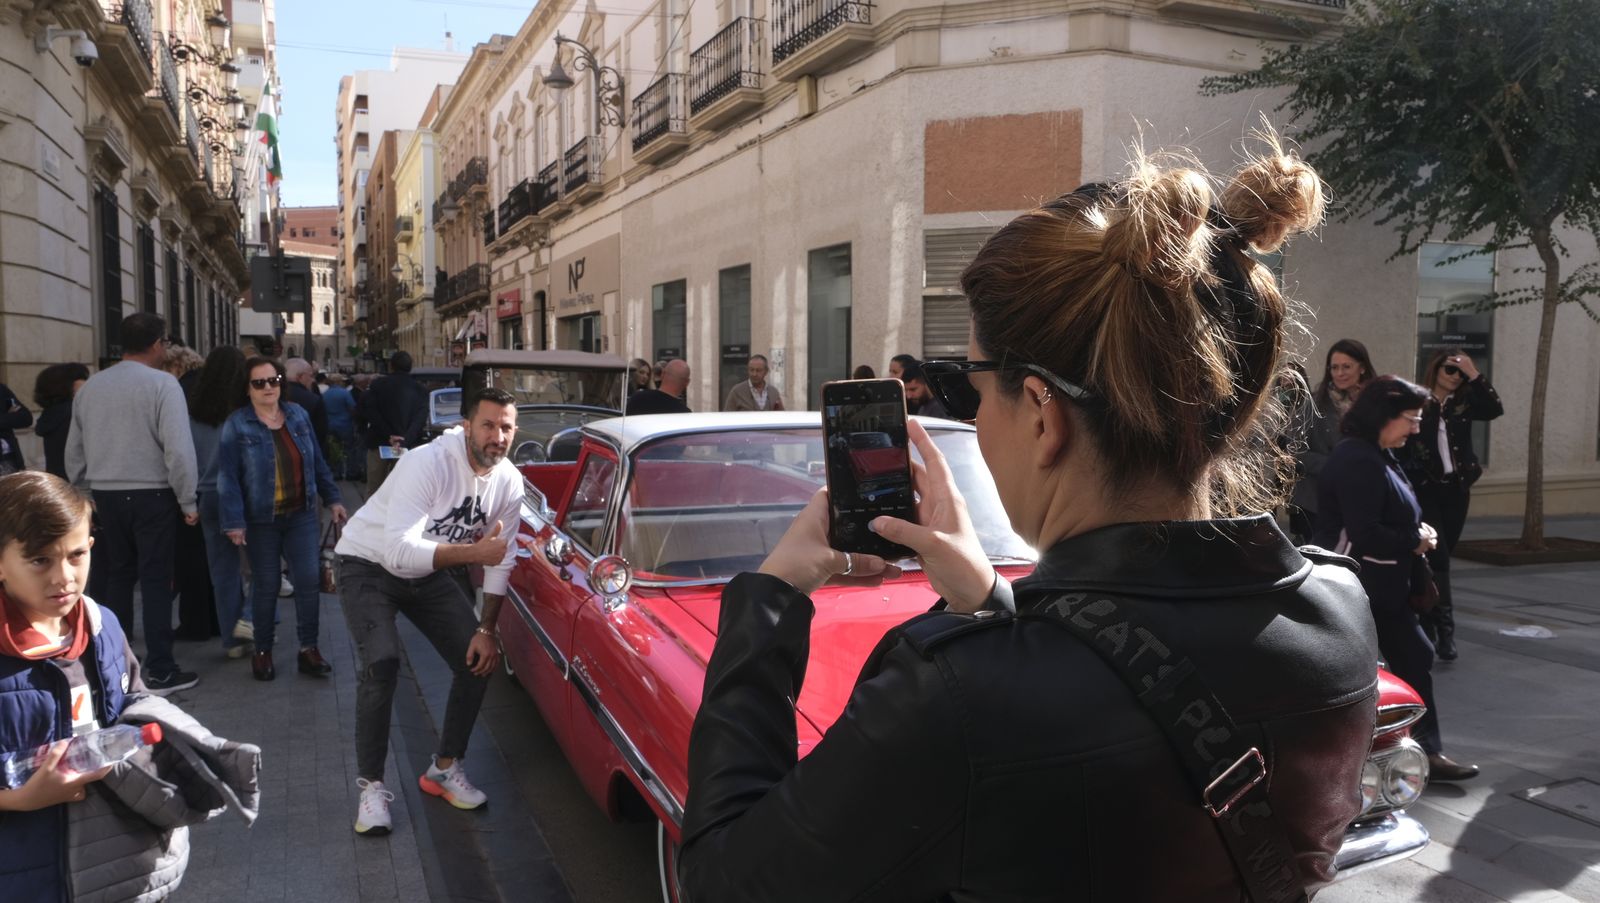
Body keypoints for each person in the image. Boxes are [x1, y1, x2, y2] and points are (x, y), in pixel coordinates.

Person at [679, 144, 1386, 898]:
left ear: (1044, 414)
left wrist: (772, 596)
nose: (976, 419)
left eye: (975, 387)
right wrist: (991, 608)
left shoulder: (953, 694)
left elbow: (725, 879)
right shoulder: (1338, 613)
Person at [0, 471, 260, 901]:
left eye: (76, 555)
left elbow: (131, 697)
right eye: (39, 560)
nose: (63, 576)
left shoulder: (102, 624)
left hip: (122, 868)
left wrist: (183, 741)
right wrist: (19, 800)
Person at [334, 387, 523, 836]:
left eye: (507, 427)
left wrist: (486, 629)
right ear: (466, 426)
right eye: (489, 424)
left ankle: (443, 767)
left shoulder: (509, 481)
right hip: (367, 563)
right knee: (381, 662)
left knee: (476, 661)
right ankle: (372, 789)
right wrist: (472, 552)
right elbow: (399, 553)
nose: (497, 436)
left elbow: (503, 557)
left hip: (429, 569)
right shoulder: (427, 462)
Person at [1313, 376, 1477, 781]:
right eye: (1410, 418)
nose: (1416, 427)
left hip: (1383, 587)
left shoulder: (1378, 454)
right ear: (1383, 416)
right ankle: (1396, 756)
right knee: (1392, 666)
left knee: (1413, 660)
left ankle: (1415, 752)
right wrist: (1415, 540)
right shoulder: (1358, 459)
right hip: (1360, 588)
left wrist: (1419, 534)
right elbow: (1363, 533)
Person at [65, 313, 200, 695]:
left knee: (116, 578)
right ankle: (160, 668)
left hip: (105, 495)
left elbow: (74, 450)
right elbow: (178, 449)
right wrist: (188, 499)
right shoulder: (163, 385)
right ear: (158, 344)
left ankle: (115, 667)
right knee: (157, 579)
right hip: (153, 493)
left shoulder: (90, 387)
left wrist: (84, 494)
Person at [216, 357, 347, 682]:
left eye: (272, 380)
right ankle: (262, 651)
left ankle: (309, 649)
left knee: (307, 581)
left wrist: (332, 498)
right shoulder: (237, 423)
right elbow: (228, 477)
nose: (267, 388)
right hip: (261, 520)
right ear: (247, 389)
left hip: (301, 514)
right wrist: (234, 521)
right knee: (267, 585)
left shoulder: (298, 415)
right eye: (258, 383)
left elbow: (316, 460)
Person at [1398, 349, 1503, 662]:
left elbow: (1495, 409)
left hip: (1456, 491)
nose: (1454, 375)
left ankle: (1429, 626)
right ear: (1435, 368)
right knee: (1439, 557)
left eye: (1460, 372)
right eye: (1450, 368)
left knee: (1438, 560)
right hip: (1427, 491)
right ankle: (1446, 633)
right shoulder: (1419, 403)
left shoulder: (1464, 403)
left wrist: (1475, 373)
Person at [188, 346, 254, 659]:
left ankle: (232, 640)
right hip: (244, 494)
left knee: (222, 571)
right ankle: (254, 623)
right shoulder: (245, 410)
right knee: (263, 565)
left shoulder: (193, 411)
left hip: (208, 495)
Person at [1292, 338, 1375, 539]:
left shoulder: (1375, 403)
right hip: (1319, 501)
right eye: (1334, 367)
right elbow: (1295, 450)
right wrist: (1336, 466)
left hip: (1364, 497)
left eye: (1346, 367)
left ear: (1362, 368)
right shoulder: (1314, 403)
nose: (1339, 373)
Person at [358, 351, 429, 495]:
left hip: (379, 443)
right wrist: (404, 439)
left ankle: (372, 517)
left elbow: (371, 413)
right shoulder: (420, 389)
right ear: (410, 367)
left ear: (391, 366)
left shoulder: (378, 385)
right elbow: (419, 419)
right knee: (403, 489)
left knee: (374, 488)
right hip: (406, 446)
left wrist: (389, 435)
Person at [31, 363, 91, 481]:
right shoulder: (73, 412)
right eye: (82, 379)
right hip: (79, 482)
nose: (87, 384)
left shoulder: (52, 413)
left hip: (59, 480)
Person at [285, 357, 330, 453]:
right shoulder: (313, 399)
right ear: (300, 377)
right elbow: (321, 433)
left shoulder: (275, 395)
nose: (313, 380)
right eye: (310, 376)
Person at [323, 373, 360, 481]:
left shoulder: (325, 394)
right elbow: (352, 407)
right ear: (339, 382)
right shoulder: (345, 393)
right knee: (349, 449)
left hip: (330, 424)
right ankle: (351, 472)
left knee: (334, 449)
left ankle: (336, 472)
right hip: (345, 424)